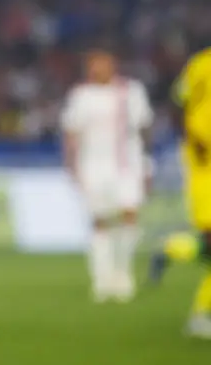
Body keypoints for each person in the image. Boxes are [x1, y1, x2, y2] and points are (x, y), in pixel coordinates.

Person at [60, 50, 154, 302]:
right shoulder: (81, 95)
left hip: (128, 164)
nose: (97, 69)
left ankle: (123, 273)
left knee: (129, 214)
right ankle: (102, 279)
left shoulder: (131, 91)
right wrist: (71, 166)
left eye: (102, 64)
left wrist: (147, 164)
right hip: (93, 165)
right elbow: (71, 132)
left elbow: (144, 127)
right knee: (99, 221)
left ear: (113, 65)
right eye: (93, 65)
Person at [148, 46, 211, 339]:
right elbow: (178, 101)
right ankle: (202, 314)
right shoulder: (202, 63)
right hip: (205, 164)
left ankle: (173, 247)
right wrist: (191, 135)